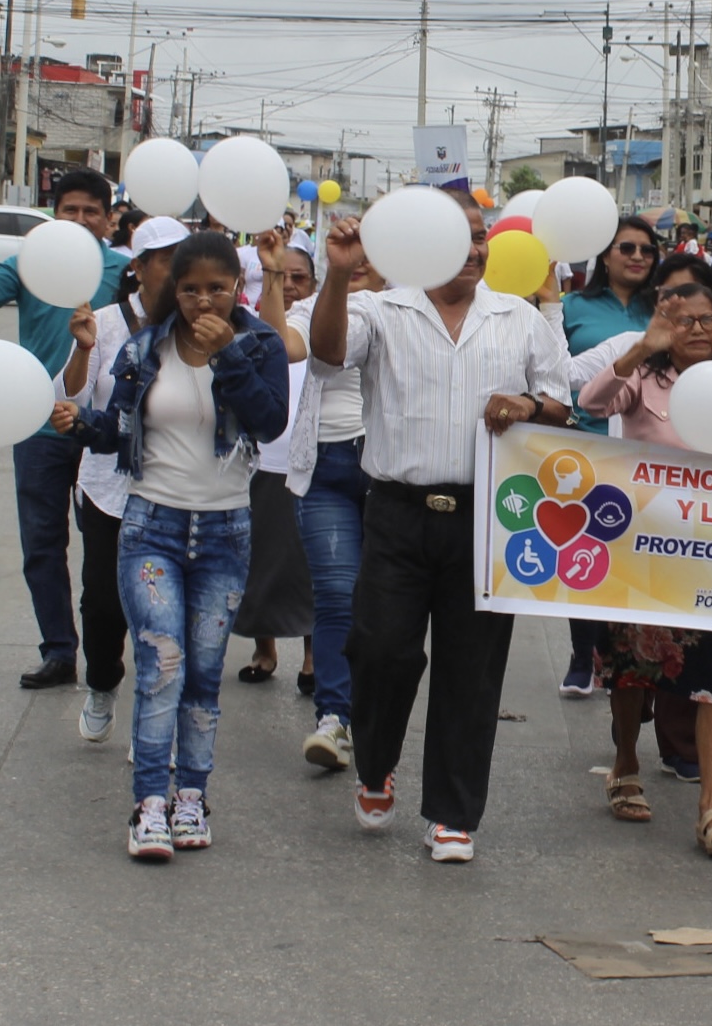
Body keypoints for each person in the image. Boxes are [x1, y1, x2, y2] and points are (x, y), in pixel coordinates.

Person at [309, 194, 573, 865]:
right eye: (462, 237)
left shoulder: (517, 317)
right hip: (397, 513)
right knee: (380, 651)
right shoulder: (381, 310)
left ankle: (453, 815)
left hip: (488, 517)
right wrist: (337, 274)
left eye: (482, 236)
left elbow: (560, 402)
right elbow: (328, 354)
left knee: (472, 671)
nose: (477, 249)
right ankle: (375, 766)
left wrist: (529, 404)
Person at [50, 231, 291, 860]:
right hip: (151, 526)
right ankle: (149, 804)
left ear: (237, 288)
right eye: (190, 290)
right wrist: (81, 423)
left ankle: (192, 797)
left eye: (217, 288)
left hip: (224, 531)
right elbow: (118, 428)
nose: (204, 302)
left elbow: (270, 422)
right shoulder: (144, 348)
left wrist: (228, 356)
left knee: (205, 675)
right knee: (162, 666)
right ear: (171, 291)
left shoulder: (259, 344)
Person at [579, 282, 712, 856]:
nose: (697, 329)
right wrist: (643, 347)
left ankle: (711, 804)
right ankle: (625, 763)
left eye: (707, 319)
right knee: (630, 667)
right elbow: (591, 402)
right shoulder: (642, 379)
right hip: (642, 549)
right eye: (684, 320)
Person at [0, 175, 133, 689]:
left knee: (106, 546)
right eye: (70, 210)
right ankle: (59, 650)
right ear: (53, 214)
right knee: (42, 544)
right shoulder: (31, 263)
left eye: (92, 211)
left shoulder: (124, 272)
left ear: (109, 219)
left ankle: (105, 650)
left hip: (103, 429)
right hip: (38, 423)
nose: (80, 220)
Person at [55, 215, 193, 743]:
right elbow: (70, 399)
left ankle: (154, 721)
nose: (178, 272)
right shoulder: (106, 322)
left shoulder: (197, 324)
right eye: (167, 261)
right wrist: (83, 348)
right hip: (109, 491)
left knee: (165, 610)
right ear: (138, 267)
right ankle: (102, 682)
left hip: (175, 487)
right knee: (104, 604)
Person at [274, 242, 387, 760]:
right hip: (325, 466)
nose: (360, 261)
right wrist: (273, 274)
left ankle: (376, 715)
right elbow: (285, 346)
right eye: (350, 254)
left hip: (390, 469)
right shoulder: (312, 307)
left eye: (372, 252)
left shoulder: (409, 310)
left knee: (386, 602)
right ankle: (335, 718)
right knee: (337, 594)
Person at [547, 216, 662, 695]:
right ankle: (583, 655)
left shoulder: (665, 307)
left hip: (646, 449)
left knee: (634, 557)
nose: (637, 257)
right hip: (584, 444)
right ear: (605, 256)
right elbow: (552, 366)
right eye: (627, 248)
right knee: (585, 549)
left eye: (647, 250)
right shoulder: (572, 305)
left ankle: (626, 657)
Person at [228, 233, 318, 711]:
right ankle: (265, 651)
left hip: (313, 464)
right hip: (264, 461)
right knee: (260, 559)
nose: (292, 286)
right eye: (283, 278)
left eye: (300, 278)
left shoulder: (322, 324)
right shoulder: (254, 329)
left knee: (311, 566)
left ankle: (313, 658)